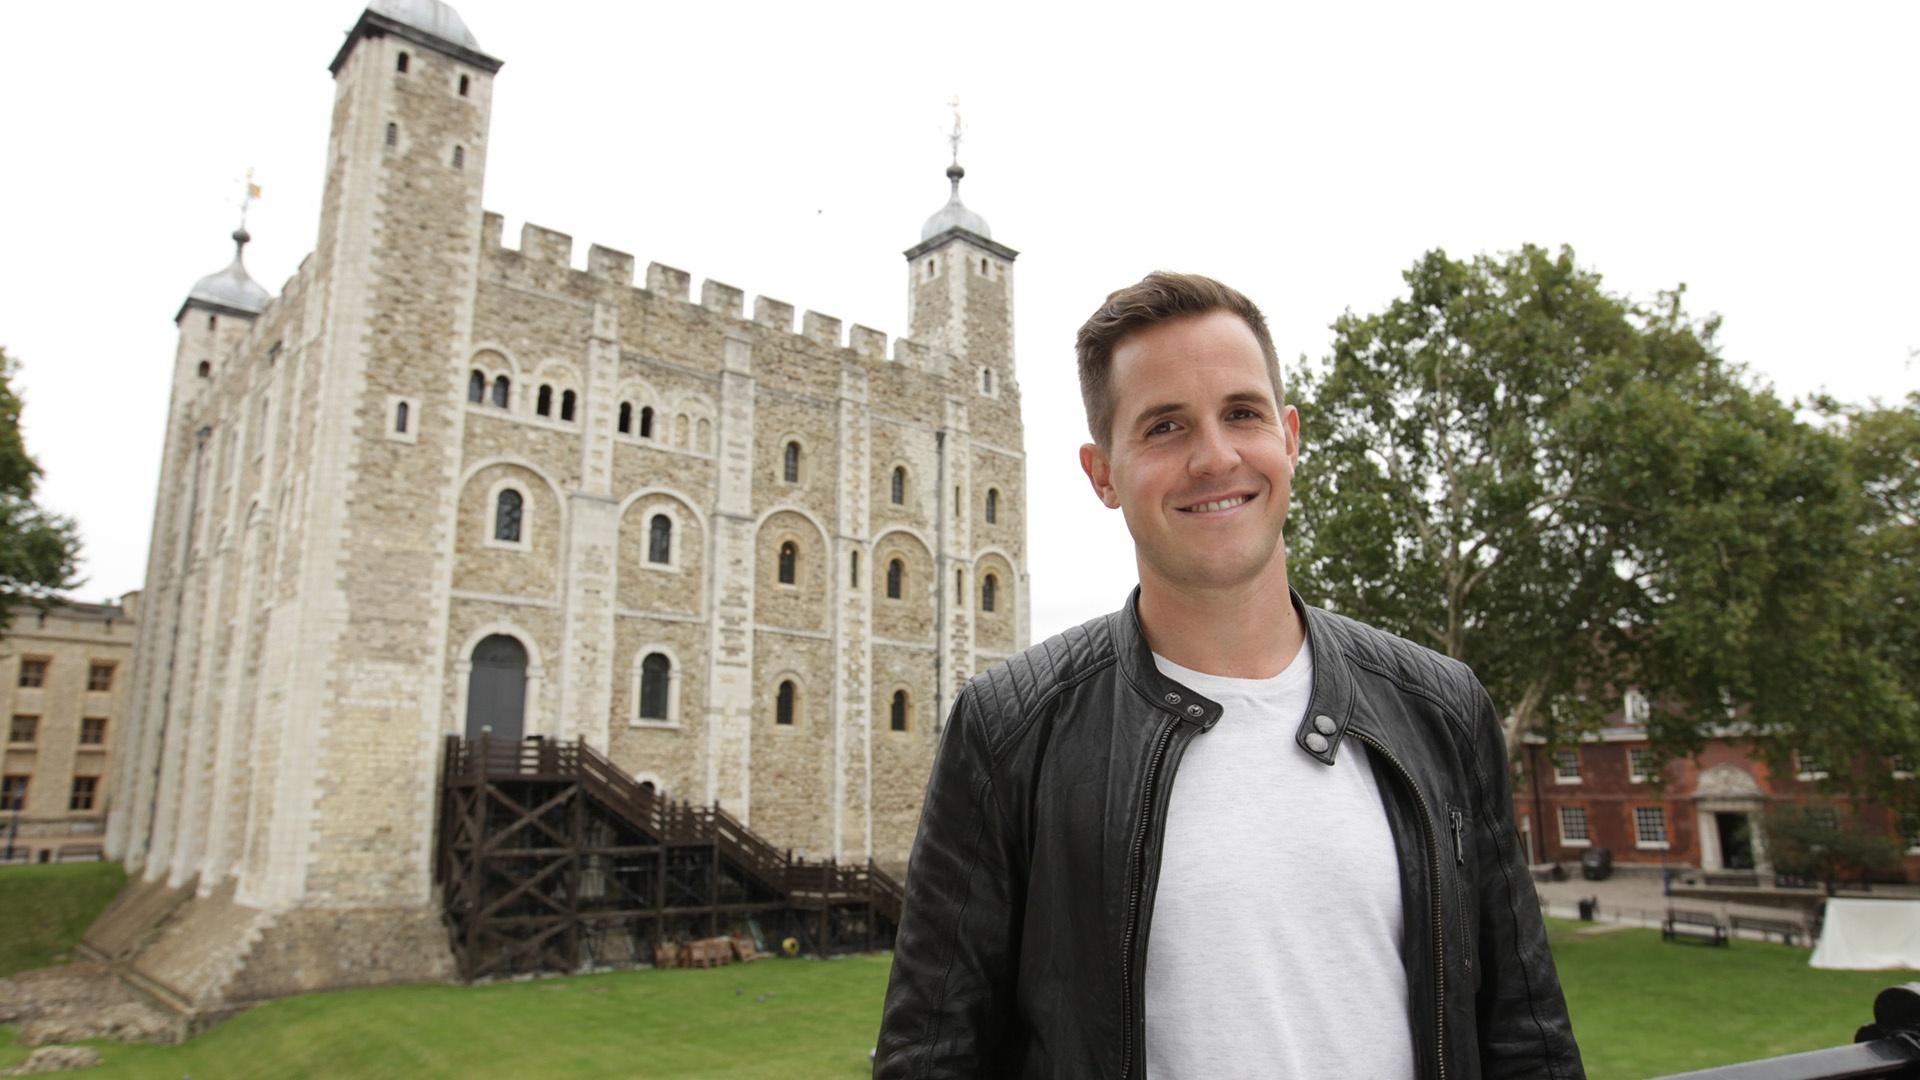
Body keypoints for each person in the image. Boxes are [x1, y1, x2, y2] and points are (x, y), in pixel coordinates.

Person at [873, 272, 1583, 1079]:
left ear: (1289, 437)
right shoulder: (1009, 730)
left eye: (1242, 414)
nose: (1215, 457)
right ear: (1102, 473)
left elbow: (1527, 1038)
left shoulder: (1443, 710)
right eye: (1165, 426)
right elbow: (932, 1056)